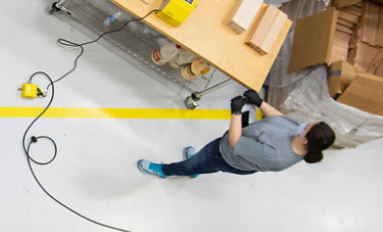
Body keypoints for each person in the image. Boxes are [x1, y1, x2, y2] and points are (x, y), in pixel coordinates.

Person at [138, 89, 335, 178]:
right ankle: (198, 165)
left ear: (305, 138)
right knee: (202, 162)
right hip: (227, 147)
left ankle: (165, 171)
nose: (303, 124)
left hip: (226, 155)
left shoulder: (277, 156)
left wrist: (236, 112)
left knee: (196, 163)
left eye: (307, 127)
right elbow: (281, 120)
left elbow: (235, 141)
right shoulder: (302, 138)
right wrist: (260, 103)